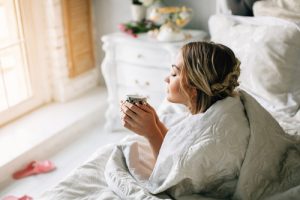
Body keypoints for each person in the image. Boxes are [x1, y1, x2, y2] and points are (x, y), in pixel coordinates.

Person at [120, 41, 240, 159]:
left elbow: (168, 172)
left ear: (194, 89)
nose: (166, 79)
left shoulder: (208, 134)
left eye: (173, 74)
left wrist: (151, 134)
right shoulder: (203, 112)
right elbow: (174, 146)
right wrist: (155, 121)